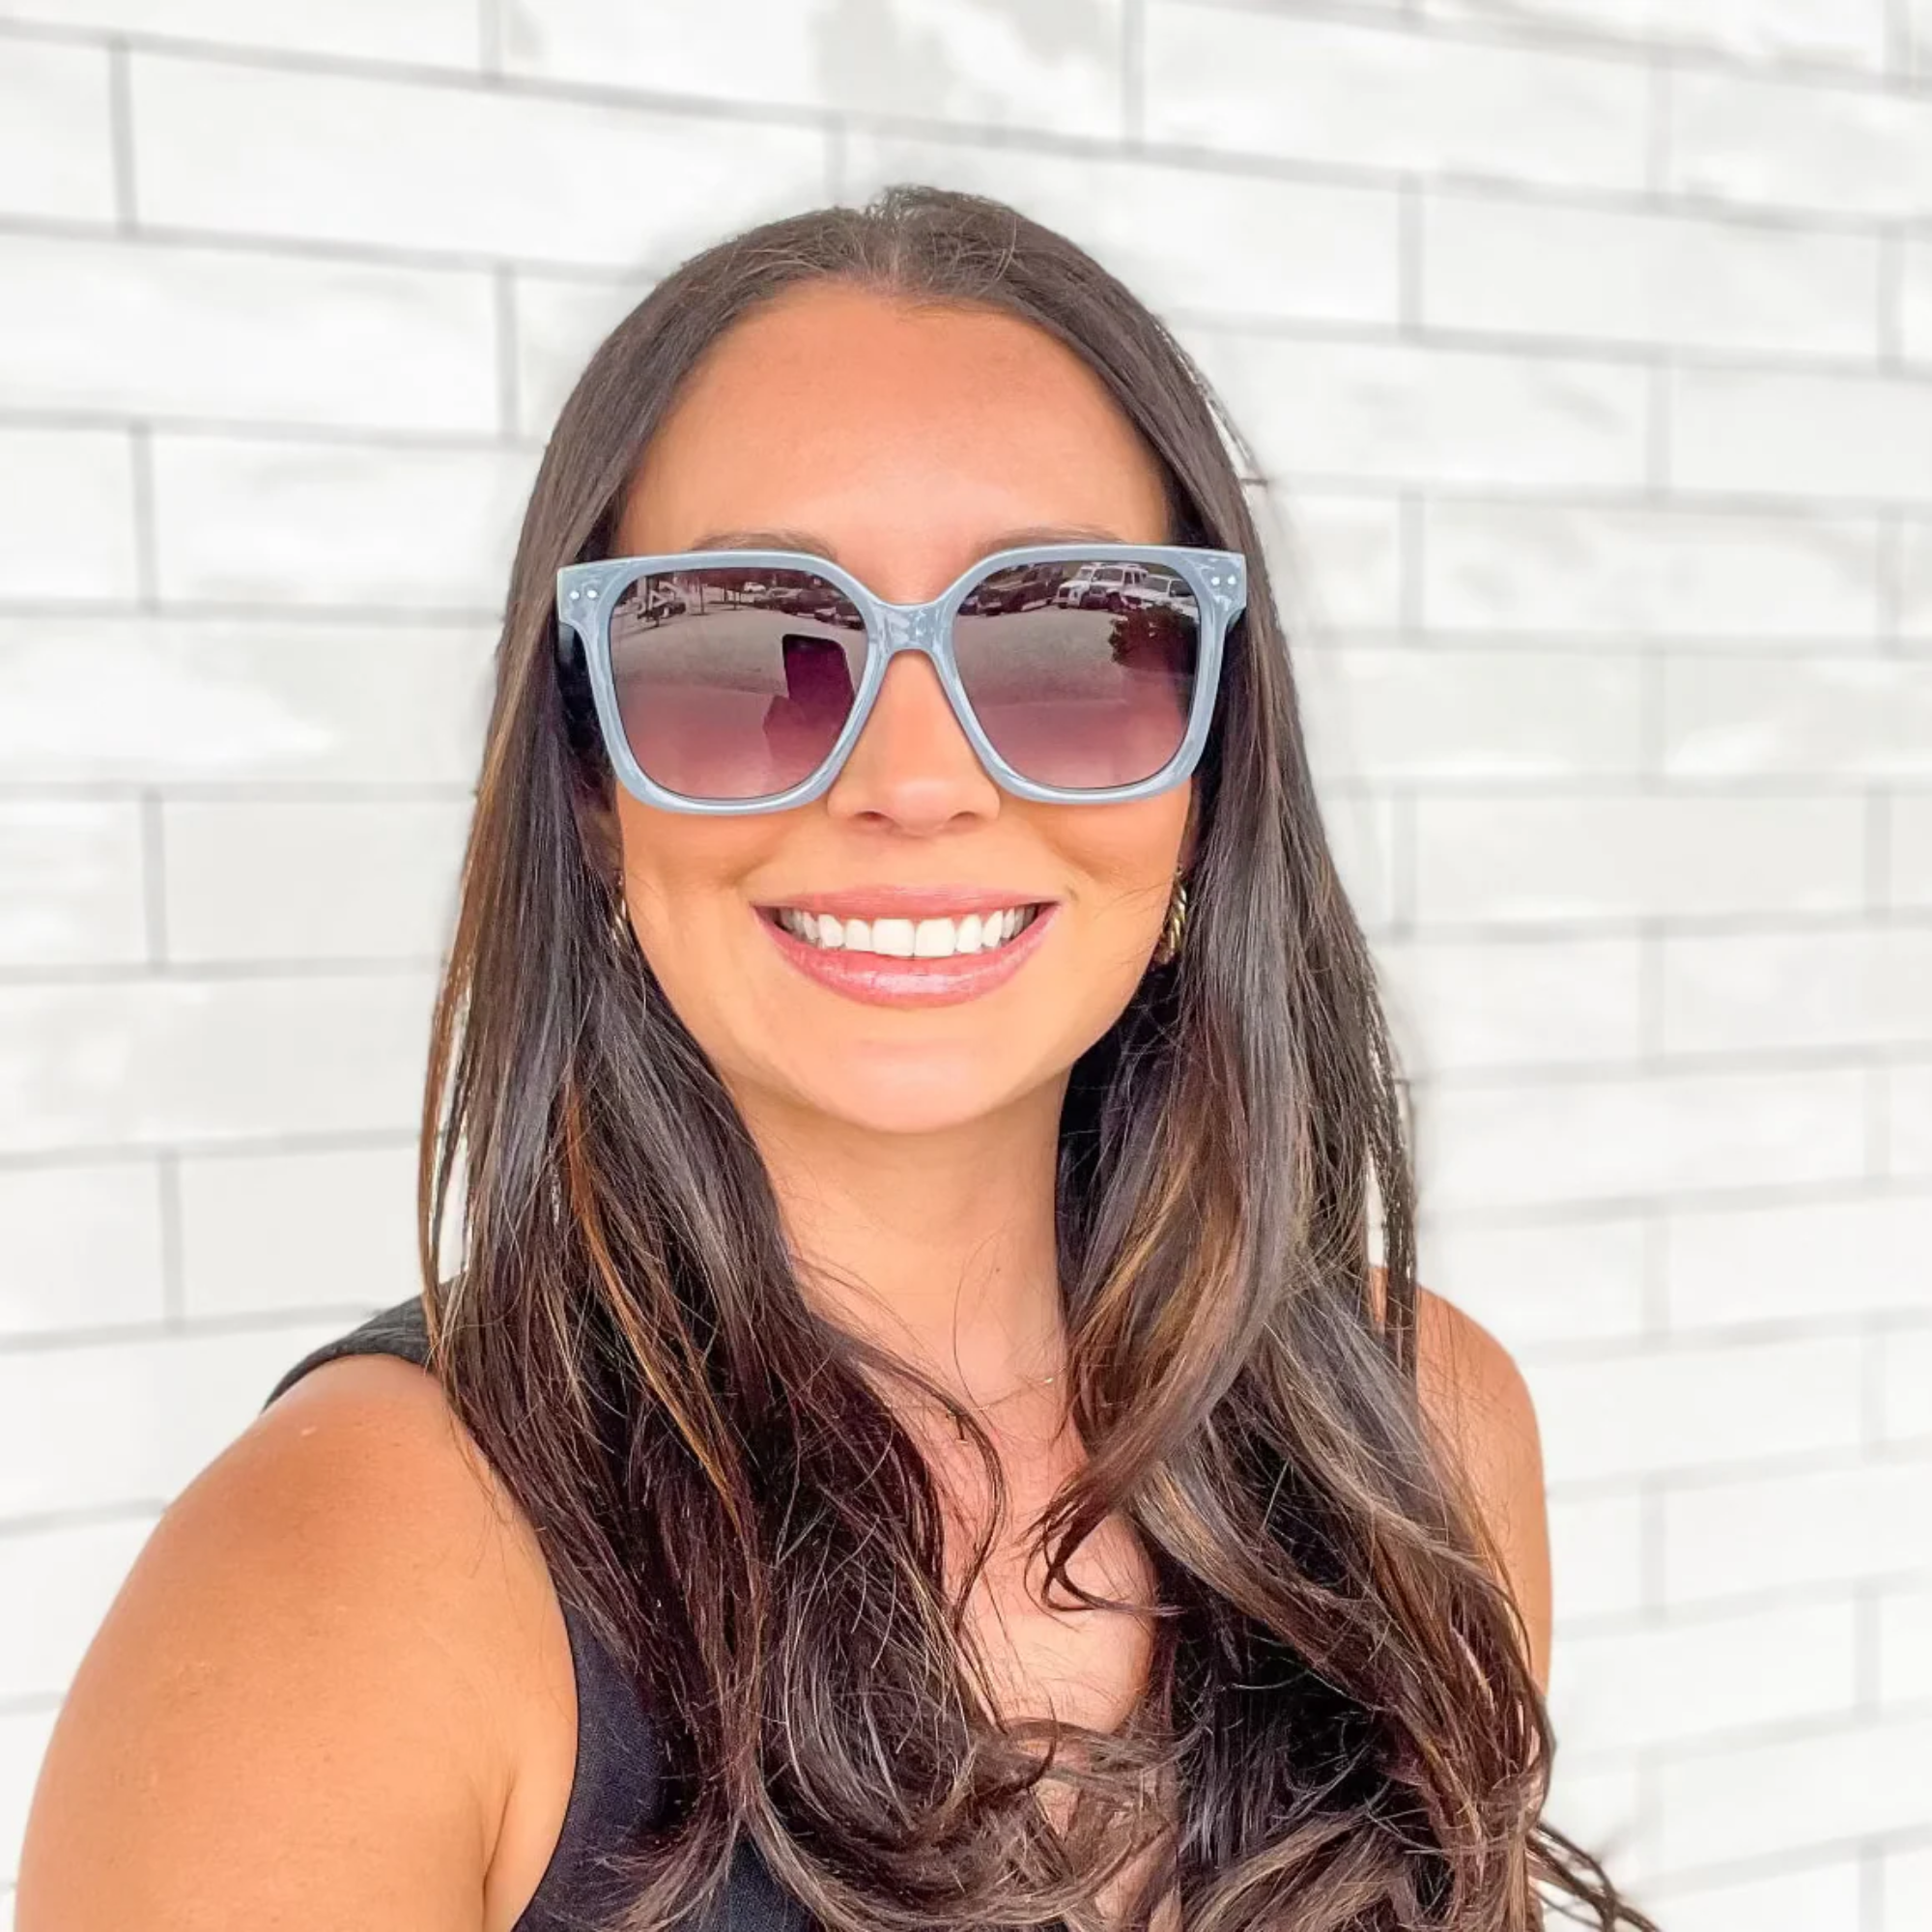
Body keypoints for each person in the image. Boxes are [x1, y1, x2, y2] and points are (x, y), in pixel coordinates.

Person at [16, 186, 1658, 1932]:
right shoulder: (348, 1576)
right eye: (740, 650)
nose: (917, 776)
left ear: (1207, 772)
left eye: (1069, 643)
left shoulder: (1413, 1437)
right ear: (589, 786)